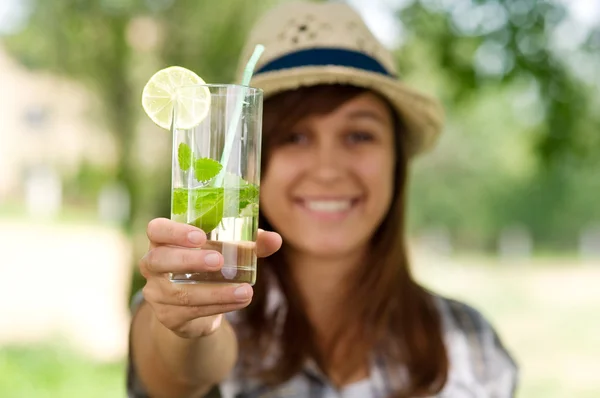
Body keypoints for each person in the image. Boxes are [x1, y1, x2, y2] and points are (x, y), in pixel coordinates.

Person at [127, 2, 518, 397]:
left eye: (359, 136)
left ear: (396, 160)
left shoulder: (473, 346)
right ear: (249, 160)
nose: (328, 170)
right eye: (294, 137)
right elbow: (179, 371)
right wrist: (192, 325)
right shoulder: (175, 300)